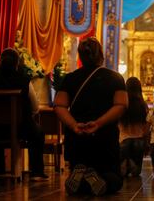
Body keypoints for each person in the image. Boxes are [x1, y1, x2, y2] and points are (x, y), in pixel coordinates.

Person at [54, 37, 128, 196]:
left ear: (80, 57)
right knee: (114, 178)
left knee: (80, 179)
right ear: (101, 55)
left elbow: (59, 105)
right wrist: (98, 123)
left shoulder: (70, 78)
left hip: (77, 138)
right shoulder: (115, 78)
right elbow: (121, 105)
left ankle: (80, 177)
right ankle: (101, 179)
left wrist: (74, 125)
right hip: (104, 137)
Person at [0, 48, 47, 181]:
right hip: (20, 128)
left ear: (0, 61)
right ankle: (37, 172)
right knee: (38, 133)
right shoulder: (23, 80)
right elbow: (35, 108)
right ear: (17, 64)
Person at [119, 77, 148, 177]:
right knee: (137, 173)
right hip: (138, 140)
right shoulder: (143, 105)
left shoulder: (123, 104)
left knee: (123, 172)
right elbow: (146, 125)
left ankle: (126, 162)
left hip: (124, 139)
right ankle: (132, 165)